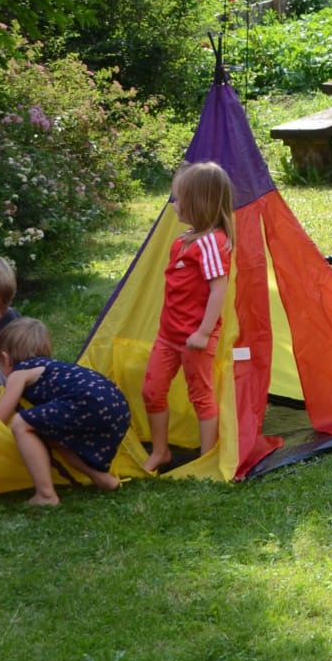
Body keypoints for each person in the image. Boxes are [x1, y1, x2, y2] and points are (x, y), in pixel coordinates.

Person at [140, 161, 234, 473]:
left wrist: (204, 333)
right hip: (168, 335)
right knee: (152, 391)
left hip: (195, 338)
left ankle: (206, 458)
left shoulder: (211, 243)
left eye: (178, 198)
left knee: (201, 396)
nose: (174, 204)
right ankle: (161, 451)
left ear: (198, 202)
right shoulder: (185, 239)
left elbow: (219, 289)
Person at [0, 317, 130, 507]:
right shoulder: (53, 368)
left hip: (89, 401)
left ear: (5, 358)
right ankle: (103, 479)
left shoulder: (19, 373)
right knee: (52, 437)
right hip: (117, 405)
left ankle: (46, 495)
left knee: (21, 424)